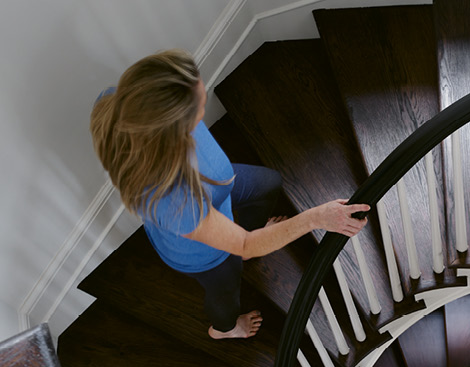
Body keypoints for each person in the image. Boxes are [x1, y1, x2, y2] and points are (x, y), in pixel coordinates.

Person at [89, 49, 369, 339]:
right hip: (205, 254)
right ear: (173, 128)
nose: (204, 95)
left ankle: (238, 235)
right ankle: (223, 329)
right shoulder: (174, 200)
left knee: (268, 183)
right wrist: (316, 218)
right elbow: (246, 245)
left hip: (216, 193)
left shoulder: (124, 104)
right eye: (198, 106)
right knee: (226, 291)